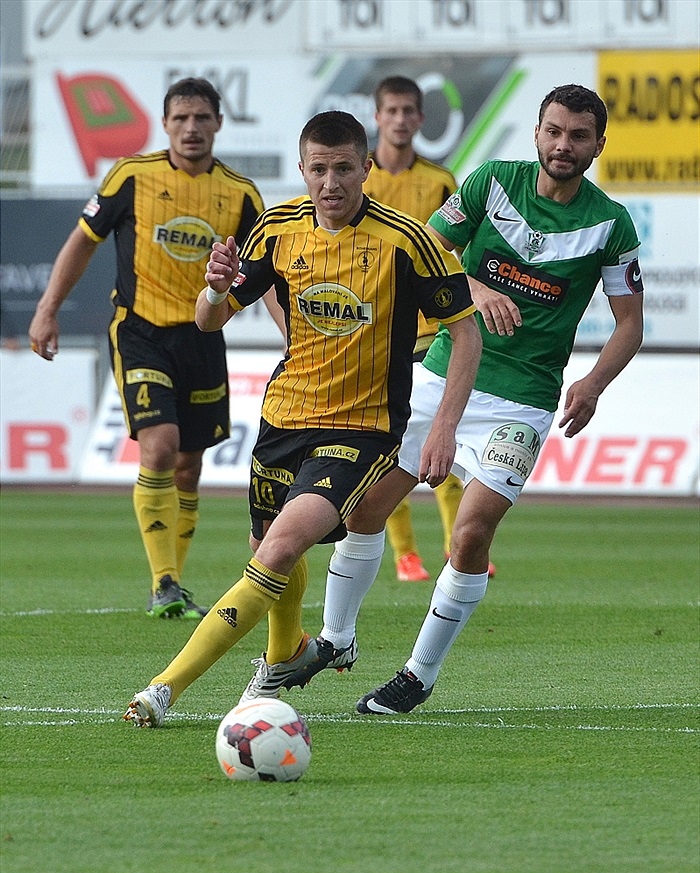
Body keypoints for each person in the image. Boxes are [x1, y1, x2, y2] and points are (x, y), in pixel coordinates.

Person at [282, 84, 645, 714]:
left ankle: (417, 676)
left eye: (578, 136)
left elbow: (630, 325)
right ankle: (337, 639)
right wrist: (474, 288)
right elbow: (426, 249)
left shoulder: (611, 224)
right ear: (536, 134)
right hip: (444, 375)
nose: (563, 146)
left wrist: (591, 384)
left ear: (598, 145)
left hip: (523, 400)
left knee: (470, 535)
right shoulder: (490, 182)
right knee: (363, 509)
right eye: (553, 131)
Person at [123, 109, 482, 728]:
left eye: (344, 168)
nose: (331, 182)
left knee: (284, 544)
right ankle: (284, 653)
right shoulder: (277, 228)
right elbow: (212, 319)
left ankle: (163, 688)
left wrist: (445, 423)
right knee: (267, 544)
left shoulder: (406, 240)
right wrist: (212, 288)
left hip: (362, 429)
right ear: (303, 170)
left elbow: (466, 332)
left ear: (366, 169)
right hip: (283, 418)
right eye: (319, 169)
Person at [28, 78, 267, 620]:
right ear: (165, 124)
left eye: (201, 118)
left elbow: (265, 275)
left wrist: (293, 335)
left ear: (218, 124)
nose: (191, 128)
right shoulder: (131, 177)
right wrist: (47, 308)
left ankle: (174, 582)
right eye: (180, 118)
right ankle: (163, 582)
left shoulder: (242, 195)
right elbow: (83, 240)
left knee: (188, 466)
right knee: (158, 446)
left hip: (203, 337)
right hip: (139, 331)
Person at [363, 75, 477, 583]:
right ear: (378, 116)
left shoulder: (440, 181)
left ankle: (460, 549)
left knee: (440, 439)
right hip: (374, 332)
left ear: (421, 119)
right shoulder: (358, 178)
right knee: (389, 447)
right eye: (393, 110)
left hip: (431, 330)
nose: (402, 119)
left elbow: (462, 252)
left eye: (410, 111)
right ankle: (405, 554)